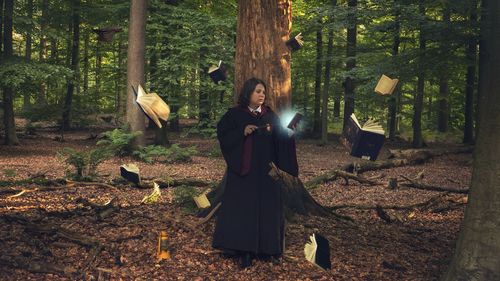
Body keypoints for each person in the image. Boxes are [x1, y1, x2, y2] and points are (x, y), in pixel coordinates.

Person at [212, 77, 299, 269]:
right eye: (258, 91)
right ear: (248, 93)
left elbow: (280, 141)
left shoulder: (270, 116)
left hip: (266, 173)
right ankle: (244, 251)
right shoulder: (234, 115)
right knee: (244, 210)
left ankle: (267, 249)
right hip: (244, 172)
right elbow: (223, 135)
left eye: (263, 92)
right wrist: (242, 132)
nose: (262, 95)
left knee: (267, 207)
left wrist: (289, 133)